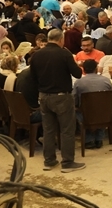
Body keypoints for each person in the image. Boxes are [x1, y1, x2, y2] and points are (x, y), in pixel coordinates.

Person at [30, 28, 84, 172]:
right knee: (66, 129)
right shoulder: (64, 54)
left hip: (43, 95)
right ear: (61, 40)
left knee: (48, 130)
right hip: (61, 96)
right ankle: (67, 162)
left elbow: (33, 77)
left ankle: (49, 161)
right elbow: (77, 74)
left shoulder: (36, 55)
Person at [72, 58, 112, 149]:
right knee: (102, 108)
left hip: (87, 114)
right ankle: (99, 138)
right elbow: (111, 96)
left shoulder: (79, 82)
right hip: (104, 113)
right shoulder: (106, 80)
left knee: (79, 111)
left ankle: (89, 140)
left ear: (83, 69)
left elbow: (74, 100)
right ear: (96, 68)